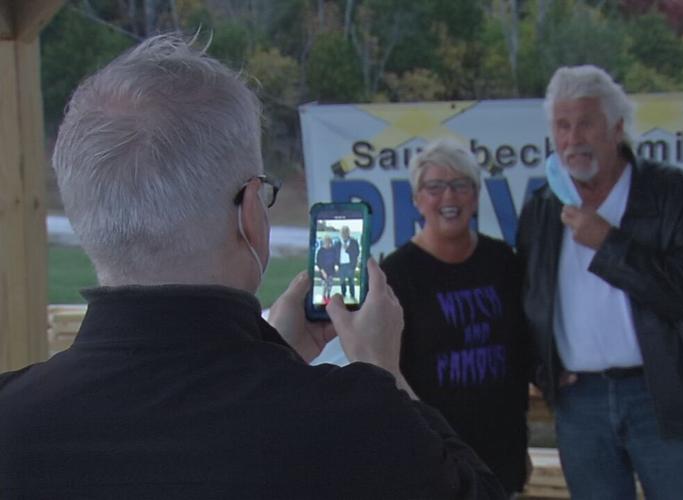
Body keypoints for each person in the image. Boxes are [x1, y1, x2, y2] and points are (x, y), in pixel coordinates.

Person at [0, 34, 505, 500]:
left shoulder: (13, 416)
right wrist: (382, 371)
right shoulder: (353, 421)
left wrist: (272, 352)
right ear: (250, 211)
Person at [516, 65, 683, 499]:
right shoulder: (542, 207)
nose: (573, 138)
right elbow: (527, 301)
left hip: (664, 395)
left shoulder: (671, 192)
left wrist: (609, 245)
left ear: (617, 128)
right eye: (562, 125)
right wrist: (544, 370)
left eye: (586, 123)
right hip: (581, 404)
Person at [381, 138, 530, 496]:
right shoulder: (397, 273)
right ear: (417, 199)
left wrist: (521, 442)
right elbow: (388, 370)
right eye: (434, 187)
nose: (448, 197)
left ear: (475, 197)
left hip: (501, 449)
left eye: (461, 185)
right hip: (434, 454)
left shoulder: (502, 261)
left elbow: (521, 351)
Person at [336, 225, 360, 301]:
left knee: (351, 281)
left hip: (350, 265)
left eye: (346, 232)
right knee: (342, 281)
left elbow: (357, 252)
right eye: (343, 232)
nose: (344, 234)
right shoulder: (337, 243)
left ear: (348, 233)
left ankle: (352, 295)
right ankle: (343, 294)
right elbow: (335, 254)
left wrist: (347, 249)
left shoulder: (354, 242)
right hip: (341, 265)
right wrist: (336, 264)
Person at [315, 235, 338, 302]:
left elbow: (336, 259)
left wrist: (336, 265)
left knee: (330, 285)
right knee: (325, 285)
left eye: (329, 242)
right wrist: (323, 272)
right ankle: (324, 296)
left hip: (331, 271)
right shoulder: (320, 251)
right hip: (323, 271)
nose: (328, 244)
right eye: (327, 242)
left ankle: (328, 295)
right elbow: (319, 262)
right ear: (324, 242)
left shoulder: (333, 250)